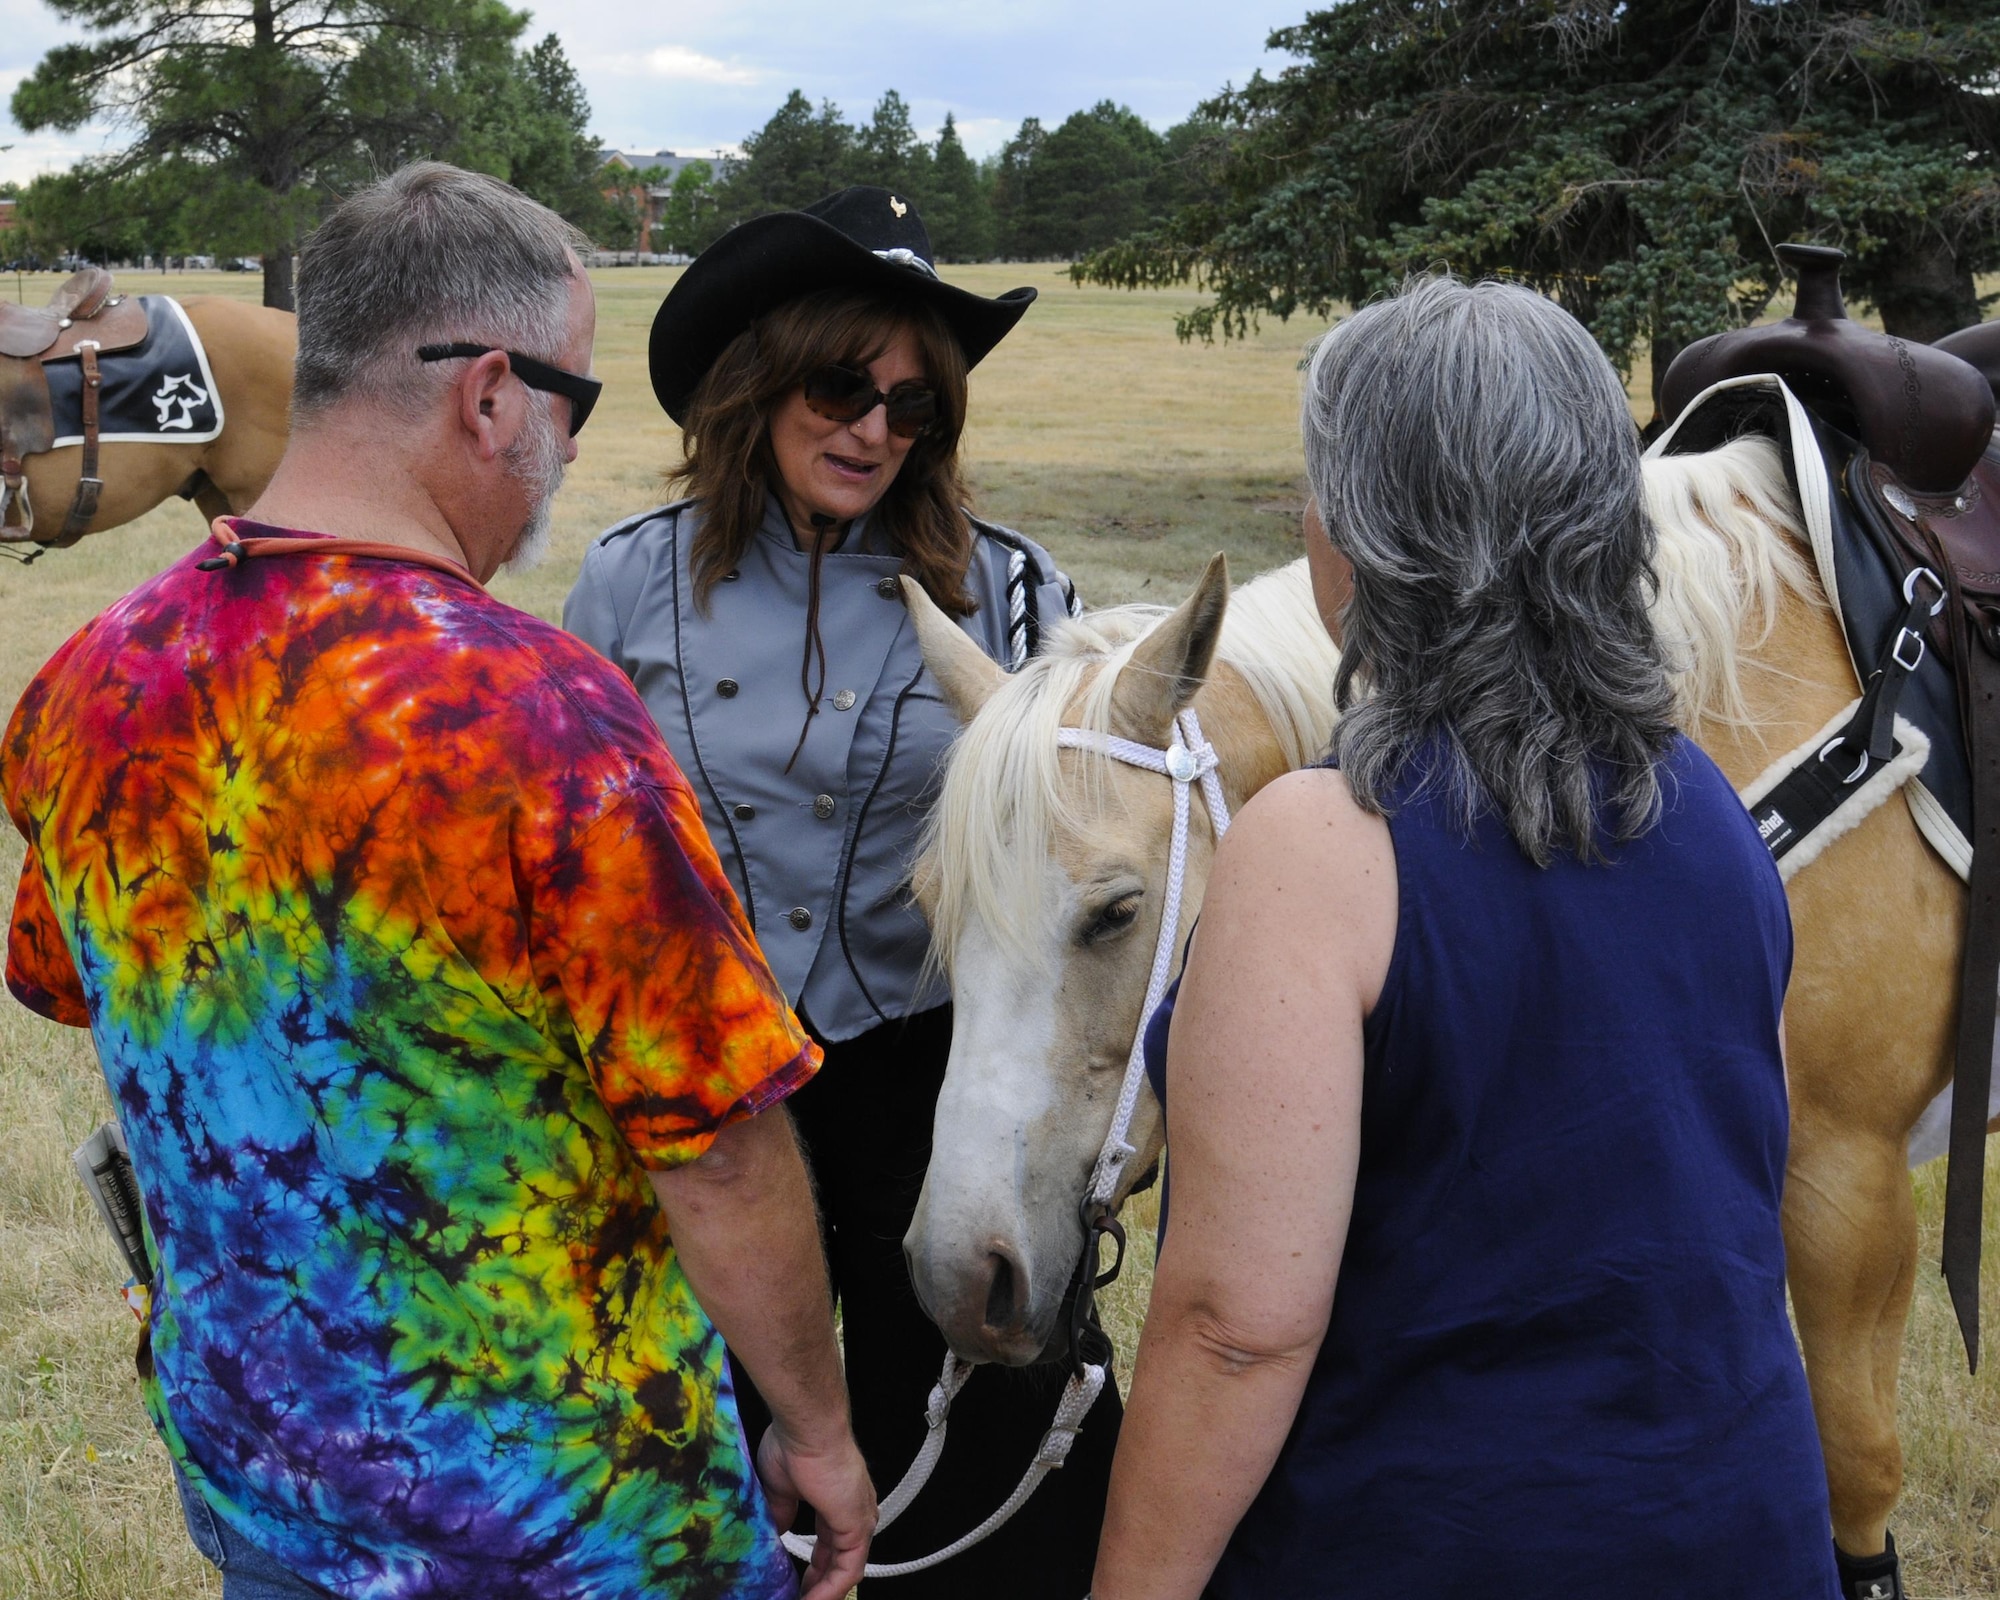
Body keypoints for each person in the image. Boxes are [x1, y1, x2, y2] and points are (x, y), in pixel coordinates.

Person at [3, 163, 873, 1600]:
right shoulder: (546, 720)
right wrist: (823, 1428)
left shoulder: (88, 683)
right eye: (575, 404)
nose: (574, 448)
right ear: (489, 394)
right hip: (571, 1529)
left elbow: (69, 981)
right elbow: (711, 1144)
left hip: (259, 1489)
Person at [1091, 276, 1840, 1598]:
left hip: (1444, 1539)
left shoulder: (1322, 845)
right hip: (1738, 1526)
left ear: (1369, 537)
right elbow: (1733, 1180)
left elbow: (1233, 1335)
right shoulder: (1717, 811)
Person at [564, 186, 1116, 1596]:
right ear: (759, 381)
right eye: (841, 386)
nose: (875, 429)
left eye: (914, 407)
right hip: (708, 1089)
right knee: (714, 1440)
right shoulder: (628, 582)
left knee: (978, 1422)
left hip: (931, 1075)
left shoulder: (1009, 593)